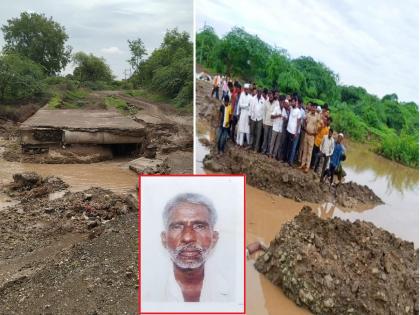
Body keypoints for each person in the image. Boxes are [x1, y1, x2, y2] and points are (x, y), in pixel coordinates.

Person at [160, 193, 230, 302]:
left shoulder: (235, 287)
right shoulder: (146, 291)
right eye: (177, 227)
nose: (188, 237)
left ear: (214, 238)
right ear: (164, 239)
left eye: (199, 226)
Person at [300, 103, 321, 172]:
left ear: (316, 109)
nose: (313, 109)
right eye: (312, 107)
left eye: (315, 108)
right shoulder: (308, 114)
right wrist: (305, 128)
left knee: (309, 152)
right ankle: (303, 164)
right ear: (311, 108)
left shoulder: (318, 116)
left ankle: (307, 166)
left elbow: (320, 126)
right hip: (306, 134)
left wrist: (316, 132)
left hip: (312, 136)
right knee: (305, 150)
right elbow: (304, 120)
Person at [284, 96, 302, 166]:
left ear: (296, 102)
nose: (292, 103)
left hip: (293, 132)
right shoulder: (291, 108)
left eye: (294, 101)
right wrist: (288, 100)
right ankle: (285, 160)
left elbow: (298, 123)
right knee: (287, 146)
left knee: (291, 148)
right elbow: (286, 106)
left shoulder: (298, 111)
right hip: (288, 130)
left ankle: (289, 161)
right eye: (292, 101)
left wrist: (296, 133)